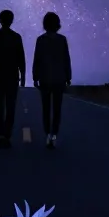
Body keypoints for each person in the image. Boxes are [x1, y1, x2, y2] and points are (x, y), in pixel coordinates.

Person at [0, 9, 26, 148]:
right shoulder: (16, 37)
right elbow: (21, 59)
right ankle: (7, 135)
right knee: (10, 106)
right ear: (11, 20)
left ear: (0, 20)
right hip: (12, 76)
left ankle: (2, 134)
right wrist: (23, 76)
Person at [31, 11, 72, 149]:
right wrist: (68, 77)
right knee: (57, 109)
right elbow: (66, 59)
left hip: (45, 79)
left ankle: (48, 134)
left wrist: (35, 77)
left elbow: (37, 59)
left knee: (46, 109)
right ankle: (54, 135)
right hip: (59, 79)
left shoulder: (40, 40)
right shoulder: (62, 40)